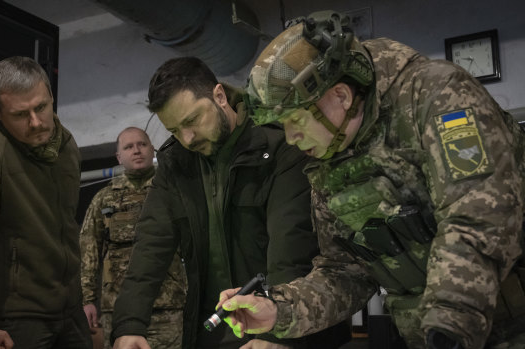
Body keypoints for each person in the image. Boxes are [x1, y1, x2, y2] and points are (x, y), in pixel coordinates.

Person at [216, 10, 525, 349]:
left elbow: (477, 215)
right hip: (431, 336)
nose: (290, 138)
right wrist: (278, 310)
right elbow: (346, 271)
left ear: (341, 96)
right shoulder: (330, 156)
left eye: (295, 121)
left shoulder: (436, 95)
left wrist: (449, 326)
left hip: (521, 325)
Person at [110, 57, 351, 349]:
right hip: (212, 333)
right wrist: (129, 325)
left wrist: (275, 333)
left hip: (287, 331)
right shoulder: (177, 163)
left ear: (220, 96)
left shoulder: (277, 144)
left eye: (192, 121)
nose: (187, 138)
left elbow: (291, 245)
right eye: (174, 130)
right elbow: (151, 244)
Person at [0, 56, 91, 349]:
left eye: (41, 107)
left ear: (51, 97)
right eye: (20, 114)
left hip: (70, 312)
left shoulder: (68, 146)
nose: (36, 122)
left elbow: (66, 228)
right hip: (16, 317)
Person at [80, 126, 187, 349]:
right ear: (119, 157)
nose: (136, 150)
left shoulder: (174, 192)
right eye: (128, 147)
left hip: (167, 305)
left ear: (152, 149)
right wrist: (87, 300)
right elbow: (88, 250)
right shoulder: (104, 199)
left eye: (142, 144)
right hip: (118, 307)